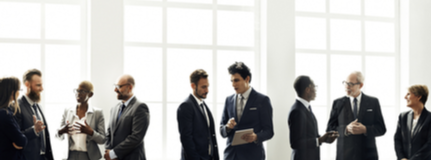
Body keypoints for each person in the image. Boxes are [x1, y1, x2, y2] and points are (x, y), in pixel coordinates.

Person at [219, 62, 274, 160]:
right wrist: (227, 127)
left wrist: (256, 137)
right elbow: (222, 130)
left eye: (236, 80)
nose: (233, 84)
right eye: (231, 81)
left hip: (252, 155)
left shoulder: (262, 100)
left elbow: (269, 131)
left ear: (247, 79)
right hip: (231, 155)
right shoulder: (229, 100)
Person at [326, 71, 386, 160]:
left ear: (360, 85)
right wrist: (346, 129)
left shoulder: (373, 102)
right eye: (345, 83)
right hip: (344, 156)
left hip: (368, 156)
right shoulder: (337, 103)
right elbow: (330, 129)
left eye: (350, 84)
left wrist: (365, 129)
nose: (347, 87)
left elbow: (381, 129)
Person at [288, 76, 338, 160]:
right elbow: (295, 143)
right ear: (307, 89)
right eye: (314, 87)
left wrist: (325, 139)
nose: (315, 90)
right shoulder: (297, 111)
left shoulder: (305, 108)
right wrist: (319, 140)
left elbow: (308, 135)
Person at [56, 81, 106, 160]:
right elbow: (57, 136)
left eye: (82, 91)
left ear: (90, 94)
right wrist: (61, 131)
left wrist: (91, 132)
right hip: (70, 156)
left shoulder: (97, 113)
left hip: (89, 156)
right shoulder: (67, 111)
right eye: (77, 90)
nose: (78, 94)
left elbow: (103, 140)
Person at [105, 75, 150, 160]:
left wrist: (114, 153)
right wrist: (109, 151)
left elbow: (136, 137)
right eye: (115, 86)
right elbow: (109, 133)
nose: (115, 90)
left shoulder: (140, 107)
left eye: (119, 86)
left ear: (129, 88)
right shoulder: (114, 109)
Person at [177, 69, 219, 160]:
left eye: (207, 86)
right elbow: (186, 139)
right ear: (193, 86)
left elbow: (210, 135)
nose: (207, 90)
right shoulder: (186, 106)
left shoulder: (203, 105)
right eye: (203, 87)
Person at [15, 69, 54, 160]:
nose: (42, 89)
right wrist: (34, 130)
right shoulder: (17, 107)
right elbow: (16, 137)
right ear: (27, 85)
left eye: (42, 85)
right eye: (38, 85)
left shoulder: (38, 106)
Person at [394, 84, 431, 160]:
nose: (405, 97)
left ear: (418, 97)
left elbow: (429, 144)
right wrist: (402, 158)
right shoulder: (403, 117)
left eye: (408, 94)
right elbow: (397, 139)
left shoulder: (430, 118)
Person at [0, 77, 27, 160]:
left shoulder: (7, 111)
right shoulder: (4, 114)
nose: (19, 93)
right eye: (19, 90)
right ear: (12, 92)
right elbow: (22, 141)